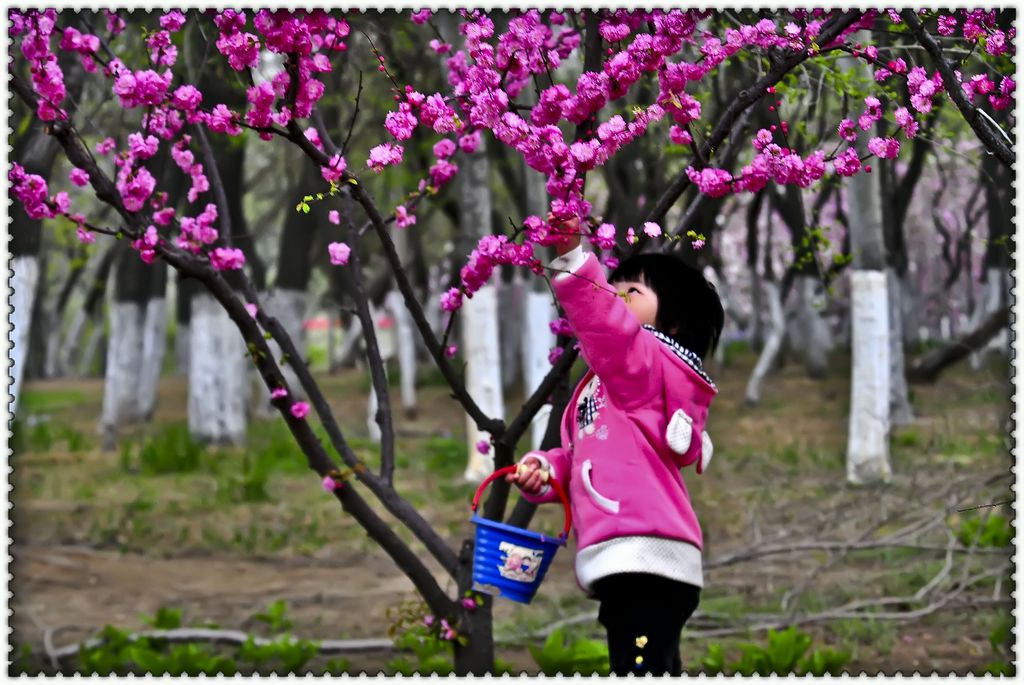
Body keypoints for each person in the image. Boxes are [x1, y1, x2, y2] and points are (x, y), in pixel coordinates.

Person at [506, 215, 724, 676]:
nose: (617, 298)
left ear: (674, 322)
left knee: (639, 666)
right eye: (615, 288)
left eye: (632, 293)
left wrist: (572, 258)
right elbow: (578, 454)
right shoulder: (606, 383)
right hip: (630, 564)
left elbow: (607, 327)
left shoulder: (642, 366)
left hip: (647, 557)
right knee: (650, 666)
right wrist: (543, 470)